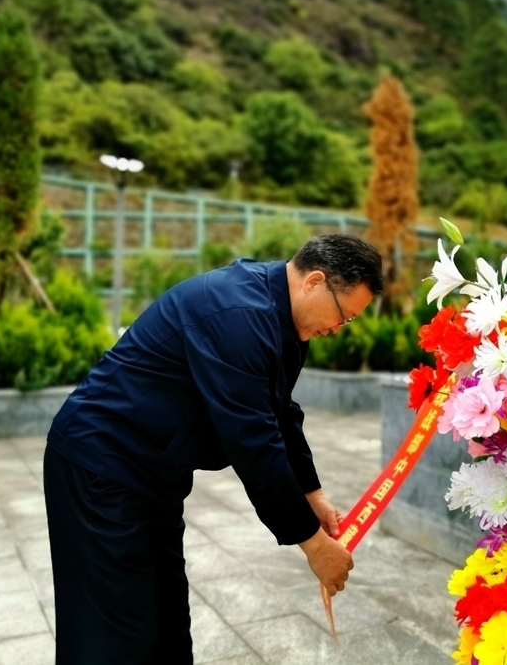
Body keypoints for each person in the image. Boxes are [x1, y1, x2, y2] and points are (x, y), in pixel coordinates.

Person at [43, 233, 382, 664]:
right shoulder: (238, 313)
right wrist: (314, 545)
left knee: (167, 622)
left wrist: (311, 494)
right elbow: (253, 440)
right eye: (343, 315)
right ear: (313, 281)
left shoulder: (281, 317)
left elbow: (279, 410)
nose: (337, 329)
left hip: (154, 475)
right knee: (115, 633)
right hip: (101, 466)